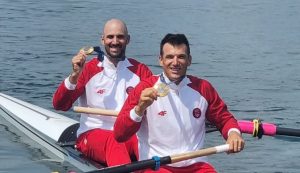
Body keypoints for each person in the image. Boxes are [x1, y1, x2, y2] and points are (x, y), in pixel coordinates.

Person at [114, 33, 245, 172]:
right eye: (169, 57)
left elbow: (224, 119)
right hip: (156, 165)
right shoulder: (144, 88)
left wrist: (233, 133)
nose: (175, 63)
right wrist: (139, 109)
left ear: (189, 60)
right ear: (160, 60)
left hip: (196, 164)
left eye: (181, 57)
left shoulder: (203, 88)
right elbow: (119, 134)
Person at [52, 18, 153, 166]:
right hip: (92, 134)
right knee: (115, 140)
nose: (115, 41)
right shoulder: (88, 69)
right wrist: (74, 76)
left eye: (120, 37)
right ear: (102, 40)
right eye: (110, 37)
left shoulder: (141, 71)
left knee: (152, 142)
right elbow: (60, 105)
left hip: (129, 134)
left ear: (128, 40)